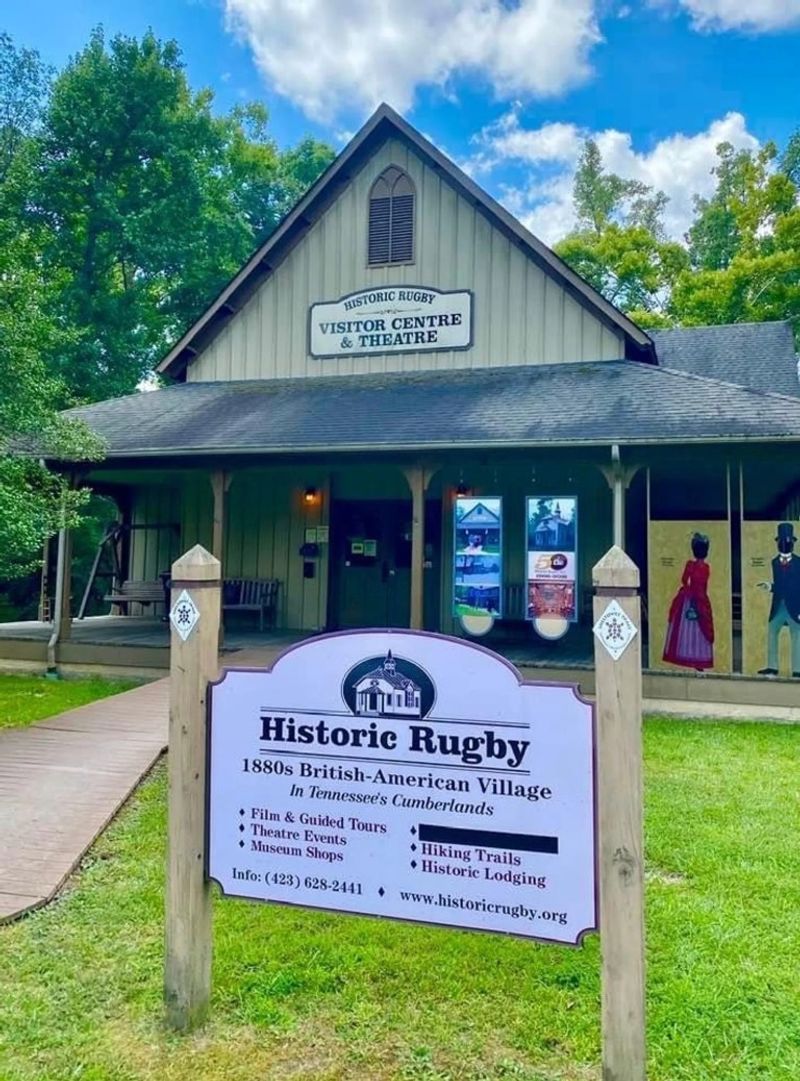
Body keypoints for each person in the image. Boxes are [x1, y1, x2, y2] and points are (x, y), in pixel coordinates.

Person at [662, 533, 715, 672]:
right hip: (701, 598)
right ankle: (698, 659)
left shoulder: (690, 565)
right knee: (700, 628)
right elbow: (703, 585)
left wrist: (688, 589)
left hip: (688, 597)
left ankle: (684, 655)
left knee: (685, 627)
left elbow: (684, 580)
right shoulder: (706, 567)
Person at [757, 522, 800, 677]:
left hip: (795, 607)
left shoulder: (799, 562)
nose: (784, 544)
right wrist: (770, 587)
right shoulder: (774, 562)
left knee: (797, 637)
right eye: (782, 541)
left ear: (792, 543)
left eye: (787, 541)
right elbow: (781, 585)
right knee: (771, 632)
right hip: (778, 606)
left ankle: (798, 670)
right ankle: (772, 667)